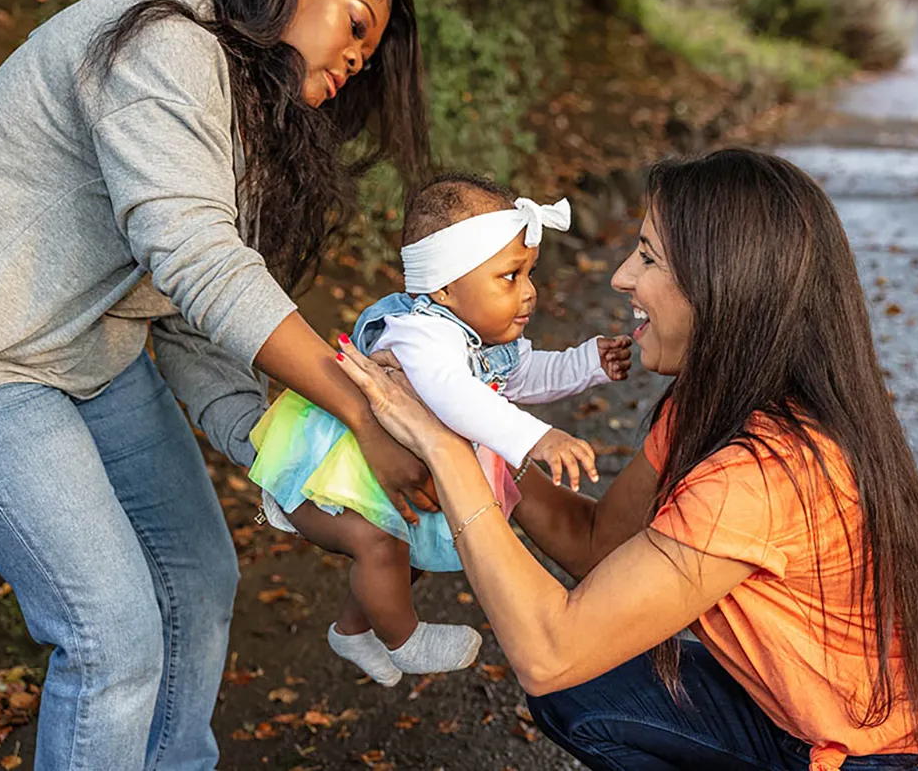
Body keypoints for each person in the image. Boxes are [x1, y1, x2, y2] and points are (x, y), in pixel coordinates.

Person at [333, 149, 918, 771]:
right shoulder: (707, 402)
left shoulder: (764, 466)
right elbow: (600, 547)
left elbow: (548, 651)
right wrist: (480, 434)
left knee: (566, 664)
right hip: (810, 720)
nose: (618, 278)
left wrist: (449, 449)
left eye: (647, 257)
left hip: (917, 756)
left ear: (721, 287)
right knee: (589, 690)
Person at [0, 0, 432, 768]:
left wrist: (308, 466)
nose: (356, 62)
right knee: (112, 637)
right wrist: (367, 412)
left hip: (88, 353)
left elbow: (192, 327)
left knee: (196, 578)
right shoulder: (162, 41)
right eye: (356, 24)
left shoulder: (242, 108)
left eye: (369, 55)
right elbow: (200, 261)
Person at [248, 173, 633, 687]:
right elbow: (457, 394)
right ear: (446, 287)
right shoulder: (421, 333)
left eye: (529, 274)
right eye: (509, 277)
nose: (529, 293)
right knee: (379, 546)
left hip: (389, 471)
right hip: (336, 472)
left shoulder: (480, 335)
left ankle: (354, 629)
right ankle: (404, 639)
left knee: (409, 549)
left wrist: (588, 362)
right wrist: (536, 438)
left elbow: (522, 376)